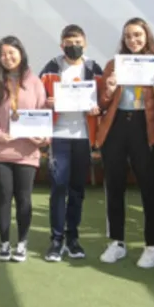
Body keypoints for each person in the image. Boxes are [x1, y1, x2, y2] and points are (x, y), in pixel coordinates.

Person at [96, 17, 154, 268]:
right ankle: (116, 242)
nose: (133, 40)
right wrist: (108, 88)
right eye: (128, 36)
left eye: (138, 35)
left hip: (145, 128)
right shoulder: (113, 65)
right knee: (114, 186)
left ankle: (153, 246)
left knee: (149, 187)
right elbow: (102, 103)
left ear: (147, 36)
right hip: (116, 127)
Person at [39, 24, 103, 262]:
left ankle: (72, 237)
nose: (72, 46)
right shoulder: (51, 68)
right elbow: (38, 96)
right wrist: (47, 102)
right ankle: (56, 240)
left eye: (77, 42)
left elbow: (105, 97)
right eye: (68, 42)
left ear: (84, 43)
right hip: (59, 134)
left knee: (77, 190)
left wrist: (98, 108)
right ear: (61, 44)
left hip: (84, 136)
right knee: (58, 187)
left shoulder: (93, 68)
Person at [0, 36, 48, 262]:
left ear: (21, 53)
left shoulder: (34, 82)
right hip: (0, 151)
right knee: (4, 196)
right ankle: (4, 243)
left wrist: (42, 137)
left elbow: (42, 113)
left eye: (12, 52)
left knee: (24, 198)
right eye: (3, 54)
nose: (7, 57)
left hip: (27, 150)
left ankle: (21, 242)